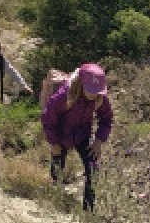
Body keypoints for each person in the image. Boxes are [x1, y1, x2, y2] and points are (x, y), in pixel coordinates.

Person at [41, 64, 113, 212]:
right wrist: (54, 143)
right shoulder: (62, 97)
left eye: (97, 91)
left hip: (83, 135)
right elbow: (48, 119)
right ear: (81, 84)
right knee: (57, 168)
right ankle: (57, 200)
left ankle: (89, 210)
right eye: (91, 91)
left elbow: (106, 119)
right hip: (60, 136)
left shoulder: (100, 99)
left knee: (93, 170)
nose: (94, 95)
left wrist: (99, 140)